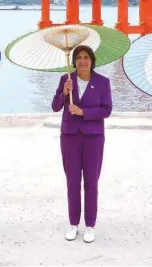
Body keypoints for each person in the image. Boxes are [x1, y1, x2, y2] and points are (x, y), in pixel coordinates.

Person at [51, 45, 112, 243]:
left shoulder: (102, 82)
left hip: (93, 137)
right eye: (79, 57)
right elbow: (55, 106)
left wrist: (84, 112)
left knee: (91, 182)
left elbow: (106, 110)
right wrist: (64, 92)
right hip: (69, 136)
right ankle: (73, 223)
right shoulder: (65, 80)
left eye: (86, 57)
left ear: (92, 60)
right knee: (73, 182)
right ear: (74, 61)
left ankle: (90, 225)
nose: (82, 61)